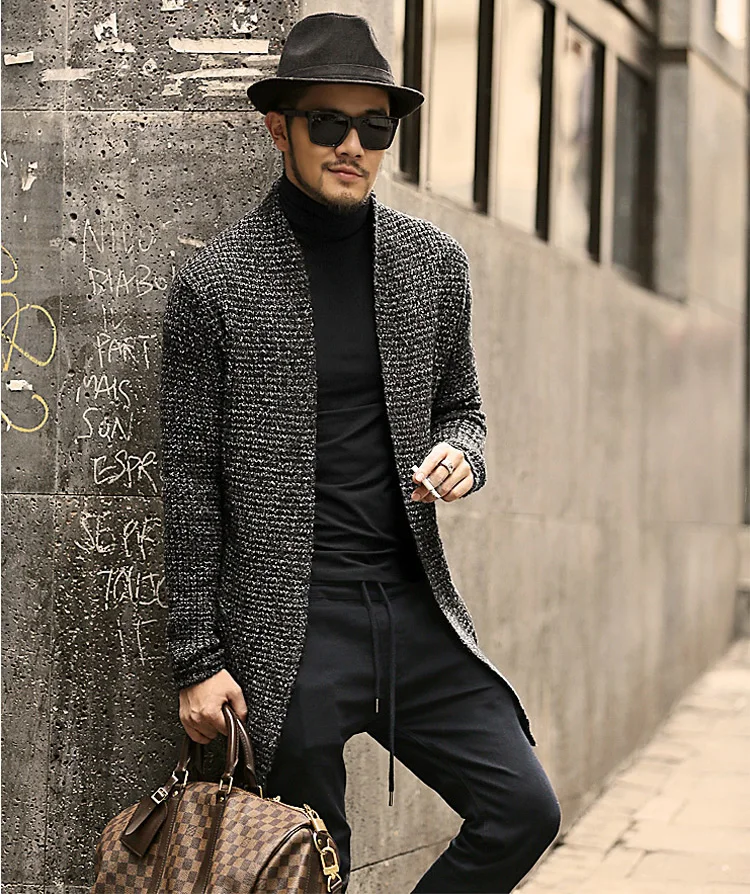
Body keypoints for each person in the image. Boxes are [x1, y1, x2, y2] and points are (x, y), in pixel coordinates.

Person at [160, 12, 561, 892]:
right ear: (280, 129)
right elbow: (187, 487)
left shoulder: (433, 265)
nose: (353, 146)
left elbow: (463, 409)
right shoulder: (215, 285)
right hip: (289, 625)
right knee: (310, 865)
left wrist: (462, 453)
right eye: (329, 124)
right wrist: (197, 658)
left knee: (524, 808)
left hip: (412, 611)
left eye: (375, 127)